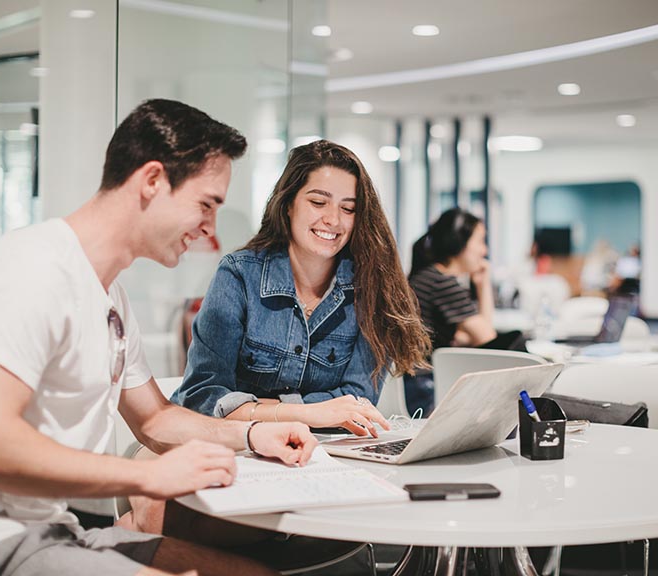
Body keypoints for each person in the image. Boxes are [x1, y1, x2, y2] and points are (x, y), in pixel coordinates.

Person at [0, 99, 317, 576]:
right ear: (152, 180)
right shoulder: (32, 270)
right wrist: (147, 474)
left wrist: (253, 435)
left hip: (53, 531)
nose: (211, 228)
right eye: (205, 204)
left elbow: (154, 420)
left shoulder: (110, 295)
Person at [122, 139, 431, 539]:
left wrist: (263, 410)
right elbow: (203, 395)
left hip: (311, 457)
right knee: (164, 515)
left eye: (348, 208)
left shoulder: (372, 288)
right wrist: (312, 413)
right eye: (318, 202)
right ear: (288, 204)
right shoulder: (239, 275)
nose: (333, 220)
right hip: (220, 445)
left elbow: (355, 401)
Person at [405, 207, 526, 414]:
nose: (484, 251)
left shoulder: (426, 276)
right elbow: (488, 339)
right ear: (458, 243)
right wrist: (483, 284)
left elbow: (464, 337)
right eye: (480, 241)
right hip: (425, 392)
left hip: (413, 384)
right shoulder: (441, 283)